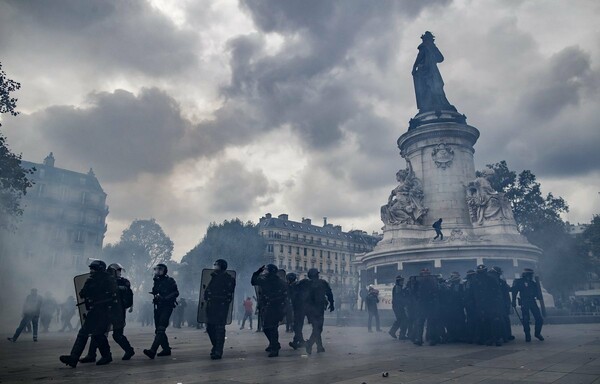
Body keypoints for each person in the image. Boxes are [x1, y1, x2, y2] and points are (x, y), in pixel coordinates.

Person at [59, 260, 118, 367]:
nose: (91, 271)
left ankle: (105, 356)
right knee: (87, 334)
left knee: (96, 334)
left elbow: (84, 293)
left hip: (102, 311)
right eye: (91, 269)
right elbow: (83, 294)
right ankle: (74, 357)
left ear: (99, 269)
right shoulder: (108, 279)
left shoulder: (97, 280)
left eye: (93, 269)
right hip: (96, 310)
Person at [79, 263, 135, 363]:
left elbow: (127, 293)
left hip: (118, 311)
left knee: (117, 335)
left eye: (120, 271)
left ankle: (129, 350)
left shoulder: (123, 282)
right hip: (106, 310)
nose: (119, 273)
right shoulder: (105, 281)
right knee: (98, 332)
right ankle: (91, 354)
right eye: (118, 270)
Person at [144, 263, 179, 359]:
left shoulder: (170, 280)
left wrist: (164, 298)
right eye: (156, 269)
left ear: (165, 271)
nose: (158, 271)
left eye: (160, 269)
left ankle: (152, 350)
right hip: (158, 307)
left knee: (161, 329)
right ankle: (166, 349)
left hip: (167, 307)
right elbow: (156, 291)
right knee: (158, 330)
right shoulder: (156, 280)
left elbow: (176, 292)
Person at [251, 264, 287, 357]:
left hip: (276, 307)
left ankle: (275, 348)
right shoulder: (265, 280)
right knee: (267, 328)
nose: (265, 271)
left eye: (266, 270)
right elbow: (253, 281)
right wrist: (258, 271)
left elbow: (286, 294)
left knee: (272, 328)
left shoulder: (279, 282)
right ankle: (274, 344)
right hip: (267, 307)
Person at [204, 259, 236, 360]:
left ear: (222, 266)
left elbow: (229, 293)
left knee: (219, 329)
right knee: (210, 328)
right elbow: (207, 290)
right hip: (212, 306)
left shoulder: (228, 278)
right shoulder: (213, 277)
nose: (215, 266)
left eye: (217, 265)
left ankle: (218, 350)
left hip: (221, 306)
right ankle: (215, 346)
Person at [303, 269, 334, 354]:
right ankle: (309, 344)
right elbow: (329, 294)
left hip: (310, 309)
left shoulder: (306, 284)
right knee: (318, 328)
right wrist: (332, 304)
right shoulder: (322, 283)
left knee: (316, 328)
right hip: (318, 309)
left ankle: (319, 347)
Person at [512, 268, 544, 342]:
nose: (531, 276)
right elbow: (514, 292)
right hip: (524, 301)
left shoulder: (533, 283)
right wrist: (513, 301)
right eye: (530, 274)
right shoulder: (519, 282)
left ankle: (537, 333)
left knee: (539, 318)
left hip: (532, 301)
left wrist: (539, 296)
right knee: (526, 319)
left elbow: (537, 293)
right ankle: (527, 335)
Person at [413, 268, 440, 346]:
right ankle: (419, 339)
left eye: (427, 273)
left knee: (429, 323)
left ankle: (430, 339)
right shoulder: (418, 281)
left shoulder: (432, 281)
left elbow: (435, 291)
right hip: (422, 304)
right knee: (421, 323)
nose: (425, 275)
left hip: (429, 304)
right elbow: (414, 292)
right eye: (424, 273)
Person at [489, 266, 514, 342]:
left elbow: (506, 290)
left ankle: (504, 335)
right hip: (496, 303)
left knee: (503, 319)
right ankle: (503, 336)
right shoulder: (493, 280)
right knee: (501, 320)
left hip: (500, 303)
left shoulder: (500, 281)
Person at [389, 275, 409, 340]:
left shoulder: (398, 287)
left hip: (397, 306)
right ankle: (401, 335)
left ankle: (392, 331)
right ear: (398, 281)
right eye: (401, 281)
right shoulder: (398, 287)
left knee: (400, 320)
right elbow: (399, 297)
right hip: (398, 306)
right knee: (404, 320)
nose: (402, 282)